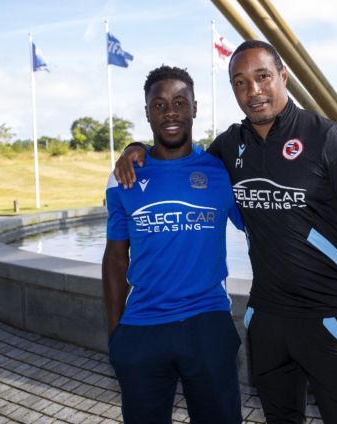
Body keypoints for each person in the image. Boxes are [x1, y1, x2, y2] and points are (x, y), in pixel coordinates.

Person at [114, 41, 337, 424]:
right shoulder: (229, 146)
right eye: (241, 82)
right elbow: (177, 154)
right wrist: (136, 147)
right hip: (268, 320)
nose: (253, 91)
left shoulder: (327, 138)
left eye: (262, 77)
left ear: (283, 76)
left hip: (330, 316)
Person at [102, 65, 244, 424]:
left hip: (208, 322)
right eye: (159, 104)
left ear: (194, 109)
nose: (170, 112)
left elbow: (268, 225)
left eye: (180, 102)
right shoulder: (124, 177)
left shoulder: (220, 171)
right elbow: (116, 259)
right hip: (141, 329)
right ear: (147, 111)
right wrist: (117, 334)